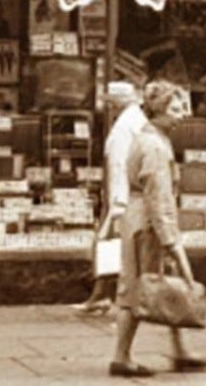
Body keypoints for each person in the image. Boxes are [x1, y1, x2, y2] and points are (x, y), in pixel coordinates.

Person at [110, 80, 206, 378]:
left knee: (160, 285)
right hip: (147, 224)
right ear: (158, 110)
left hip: (139, 218)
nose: (182, 114)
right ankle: (121, 356)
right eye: (176, 109)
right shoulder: (155, 146)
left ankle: (180, 351)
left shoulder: (151, 137)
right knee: (139, 287)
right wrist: (174, 246)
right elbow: (160, 201)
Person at [74, 80, 147, 315]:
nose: (109, 107)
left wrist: (117, 203)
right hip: (125, 195)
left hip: (121, 196)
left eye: (111, 102)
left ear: (117, 103)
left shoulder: (126, 126)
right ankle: (103, 295)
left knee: (110, 246)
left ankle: (103, 296)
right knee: (114, 246)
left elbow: (119, 164)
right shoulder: (134, 121)